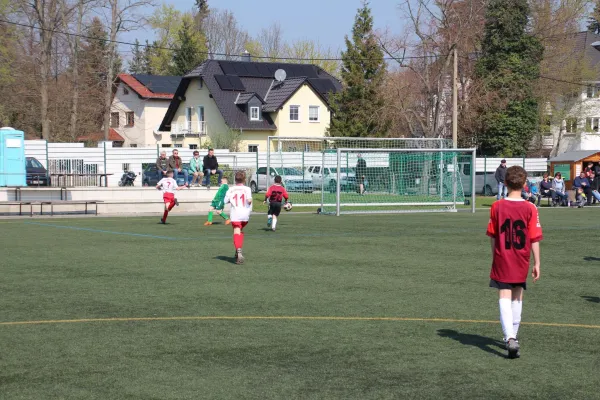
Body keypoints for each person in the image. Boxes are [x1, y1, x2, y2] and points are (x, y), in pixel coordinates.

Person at [486, 165, 542, 359]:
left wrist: (495, 256)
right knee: (517, 295)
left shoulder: (497, 206)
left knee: (504, 294)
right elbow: (534, 238)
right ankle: (513, 336)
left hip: (503, 257)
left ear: (505, 183)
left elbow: (492, 235)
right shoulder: (530, 207)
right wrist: (537, 263)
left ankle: (509, 337)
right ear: (525, 184)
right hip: (521, 258)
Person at [224, 171, 253, 264]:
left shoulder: (231, 189)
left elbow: (225, 201)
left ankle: (239, 250)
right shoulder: (247, 189)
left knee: (237, 232)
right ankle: (237, 252)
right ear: (244, 179)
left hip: (235, 214)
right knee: (240, 232)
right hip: (245, 215)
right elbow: (249, 200)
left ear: (235, 179)